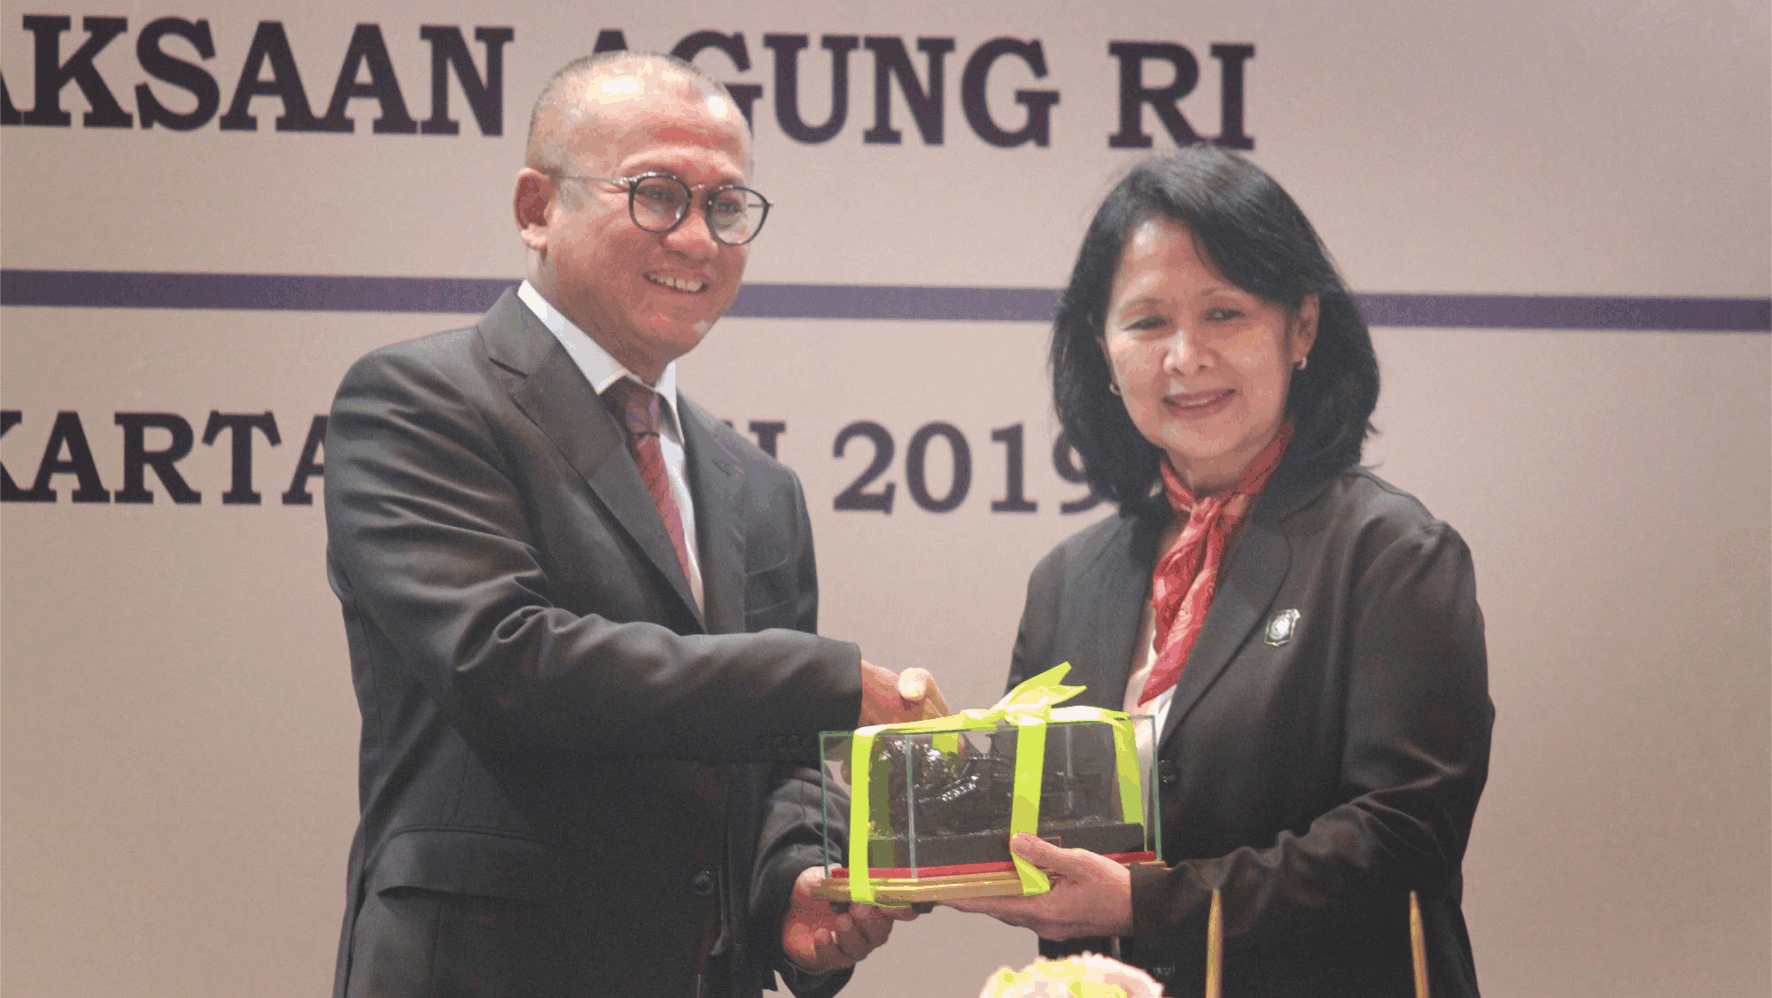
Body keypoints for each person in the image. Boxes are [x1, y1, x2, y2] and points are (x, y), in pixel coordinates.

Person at [324, 52, 944, 998]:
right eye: (658, 194)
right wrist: (827, 682)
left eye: (728, 206)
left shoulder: (756, 484)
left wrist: (792, 881)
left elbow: (775, 760)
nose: (698, 238)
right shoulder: (419, 400)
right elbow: (510, 661)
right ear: (538, 207)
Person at [945, 146, 1493, 997]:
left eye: (1226, 314)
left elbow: (1404, 835)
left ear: (1302, 328)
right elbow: (1041, 828)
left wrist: (1145, 901)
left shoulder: (1388, 552)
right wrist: (931, 836)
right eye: (1147, 322)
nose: (1185, 356)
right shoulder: (1070, 579)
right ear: (1102, 346)